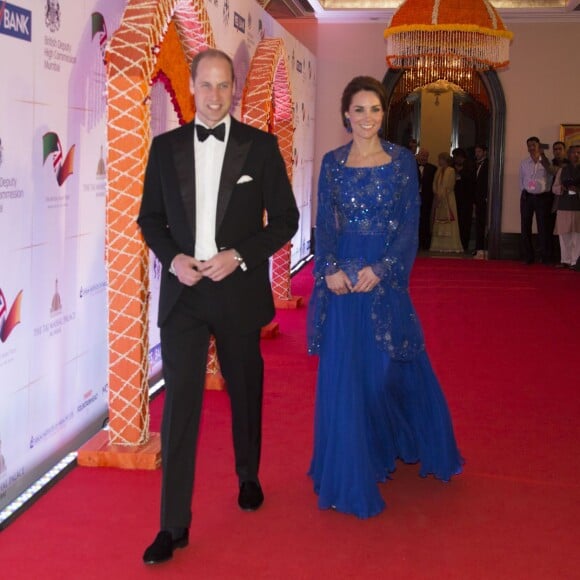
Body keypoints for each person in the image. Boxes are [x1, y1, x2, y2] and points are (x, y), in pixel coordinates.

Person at [138, 48, 299, 564]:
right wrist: (175, 260)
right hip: (185, 294)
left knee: (245, 388)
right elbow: (150, 219)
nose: (214, 95)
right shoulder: (164, 149)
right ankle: (173, 525)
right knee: (181, 405)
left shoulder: (261, 147)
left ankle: (248, 475)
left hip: (237, 290)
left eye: (223, 86)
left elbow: (286, 220)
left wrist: (240, 256)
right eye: (205, 85)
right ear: (192, 86)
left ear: (234, 88)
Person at [307, 76, 463, 519]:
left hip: (384, 279)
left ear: (383, 115)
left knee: (383, 374)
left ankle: (395, 440)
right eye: (359, 110)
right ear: (345, 115)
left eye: (374, 110)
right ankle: (350, 467)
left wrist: (383, 269)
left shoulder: (400, 164)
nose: (367, 118)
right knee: (346, 380)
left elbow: (409, 228)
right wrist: (330, 270)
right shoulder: (333, 163)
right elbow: (327, 225)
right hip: (343, 286)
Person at [519, 136, 554, 264]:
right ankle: (528, 256)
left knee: (543, 227)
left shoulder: (545, 161)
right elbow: (521, 179)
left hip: (542, 198)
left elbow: (551, 176)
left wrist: (546, 191)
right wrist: (524, 192)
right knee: (525, 227)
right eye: (529, 145)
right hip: (527, 197)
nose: (531, 148)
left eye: (534, 145)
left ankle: (545, 257)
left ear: (539, 146)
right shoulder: (524, 162)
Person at [552, 143, 580, 270]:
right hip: (563, 206)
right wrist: (562, 188)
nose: (576, 155)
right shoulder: (562, 170)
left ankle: (575, 261)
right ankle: (565, 260)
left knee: (577, 236)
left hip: (577, 207)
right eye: (573, 152)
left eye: (579, 153)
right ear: (568, 155)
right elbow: (554, 188)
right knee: (564, 235)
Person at [430, 153, 463, 253]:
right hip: (439, 199)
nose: (439, 161)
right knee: (438, 221)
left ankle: (451, 246)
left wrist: (441, 196)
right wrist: (436, 193)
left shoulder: (451, 170)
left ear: (445, 160)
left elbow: (448, 186)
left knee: (450, 221)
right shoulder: (438, 170)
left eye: (440, 159)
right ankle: (438, 245)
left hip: (448, 199)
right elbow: (435, 183)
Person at [452, 148, 475, 253]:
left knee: (465, 223)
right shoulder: (451, 168)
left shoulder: (469, 168)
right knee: (455, 222)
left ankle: (464, 245)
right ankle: (455, 244)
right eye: (455, 157)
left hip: (466, 200)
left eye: (459, 157)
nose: (457, 159)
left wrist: (460, 174)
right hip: (454, 199)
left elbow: (472, 183)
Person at [416, 148, 437, 250]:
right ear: (418, 156)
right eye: (422, 155)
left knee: (426, 220)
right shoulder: (411, 166)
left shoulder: (433, 168)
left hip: (427, 198)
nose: (424, 158)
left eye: (426, 156)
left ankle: (425, 243)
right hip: (414, 199)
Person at [473, 144, 489, 259]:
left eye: (479, 151)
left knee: (484, 224)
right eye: (476, 152)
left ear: (484, 152)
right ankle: (478, 248)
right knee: (479, 223)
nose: (477, 154)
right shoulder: (475, 165)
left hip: (485, 199)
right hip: (478, 199)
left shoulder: (488, 164)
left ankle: (483, 249)